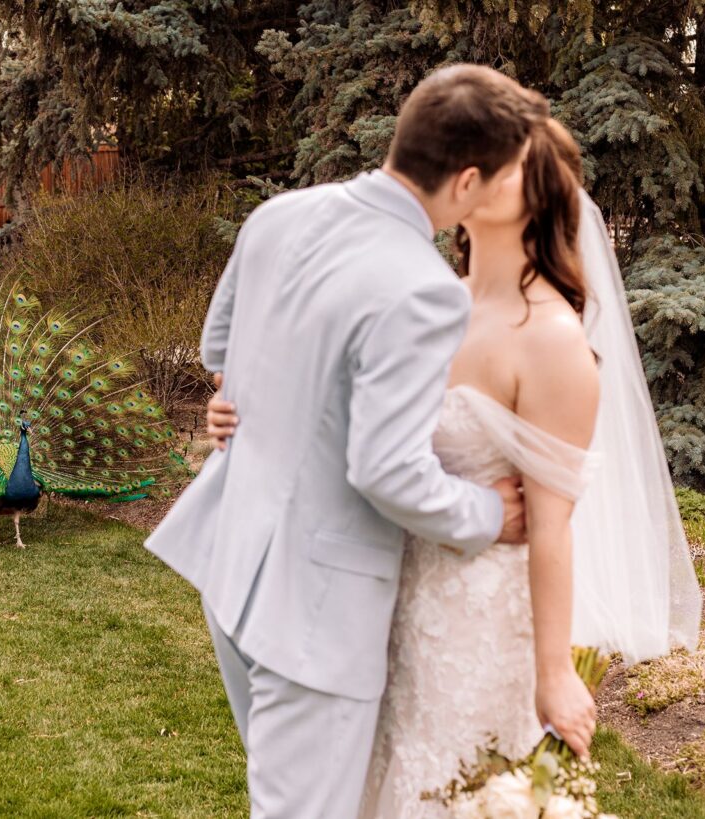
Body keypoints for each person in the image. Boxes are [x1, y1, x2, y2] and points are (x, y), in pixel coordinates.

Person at [206, 119, 702, 817]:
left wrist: (555, 672)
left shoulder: (552, 339)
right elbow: (345, 410)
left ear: (542, 194)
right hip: (387, 597)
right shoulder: (431, 297)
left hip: (478, 624)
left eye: (504, 164)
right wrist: (238, 413)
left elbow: (554, 528)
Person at [145, 64, 572, 818]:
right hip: (314, 611)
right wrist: (485, 514)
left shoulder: (278, 214)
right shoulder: (422, 284)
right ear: (468, 181)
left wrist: (242, 407)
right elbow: (385, 468)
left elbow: (220, 349)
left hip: (231, 568)